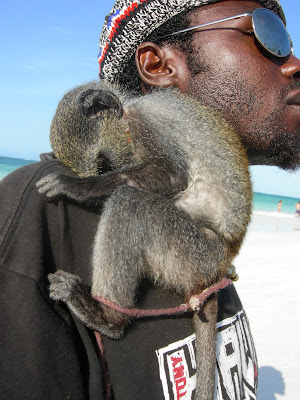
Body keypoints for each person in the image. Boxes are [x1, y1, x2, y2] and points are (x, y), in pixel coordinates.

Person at [0, 0, 299, 399]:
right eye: (266, 33)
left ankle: (110, 310)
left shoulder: (151, 127)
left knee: (127, 199)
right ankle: (109, 310)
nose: (293, 61)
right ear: (157, 66)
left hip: (197, 247)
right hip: (195, 247)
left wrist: (81, 184)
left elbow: (162, 176)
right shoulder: (35, 206)